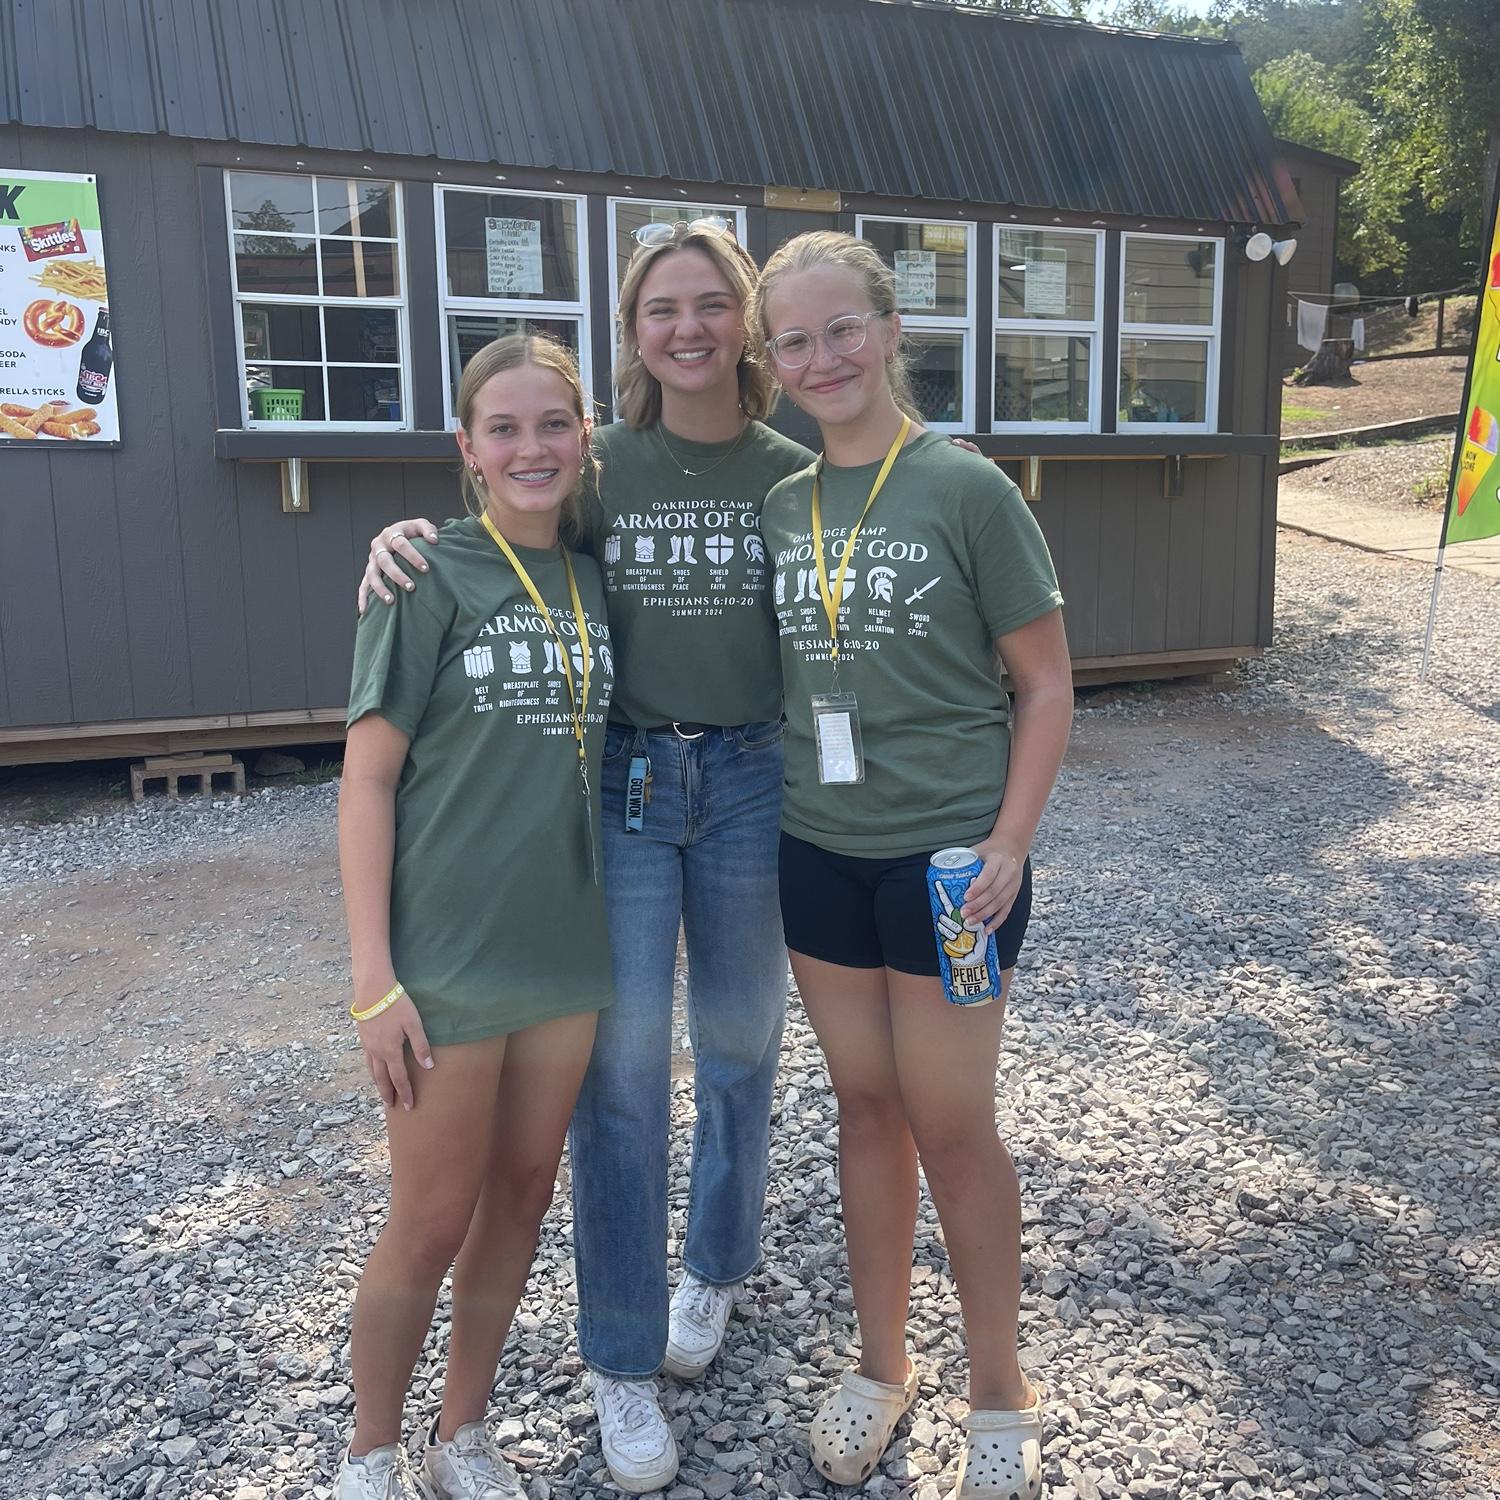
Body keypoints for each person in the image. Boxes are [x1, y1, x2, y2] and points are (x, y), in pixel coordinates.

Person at [358, 219, 813, 1493]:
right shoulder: (597, 461)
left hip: (748, 778)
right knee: (619, 1079)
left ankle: (712, 1273)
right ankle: (617, 1360)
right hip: (624, 780)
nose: (685, 327)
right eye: (658, 307)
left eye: (708, 303)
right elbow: (506, 502)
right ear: (632, 333)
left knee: (739, 1048)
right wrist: (399, 539)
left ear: (745, 320)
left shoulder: (795, 470)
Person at [750, 232, 1072, 1500]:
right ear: (770, 361)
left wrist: (1008, 842)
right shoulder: (785, 503)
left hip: (951, 867)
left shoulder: (964, 487)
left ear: (889, 330)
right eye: (794, 339)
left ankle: (1002, 1385)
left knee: (951, 1122)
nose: (821, 357)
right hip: (818, 851)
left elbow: (1045, 687)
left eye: (842, 329)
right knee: (866, 1112)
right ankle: (884, 1365)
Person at [336, 333, 615, 1500]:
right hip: (446, 964)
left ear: (582, 436)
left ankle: (463, 1433)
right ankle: (369, 1455)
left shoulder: (593, 573)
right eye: (503, 428)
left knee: (522, 1196)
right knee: (431, 1216)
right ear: (467, 448)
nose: (531, 446)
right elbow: (366, 779)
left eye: (552, 422)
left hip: (567, 955)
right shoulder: (426, 574)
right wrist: (373, 980)